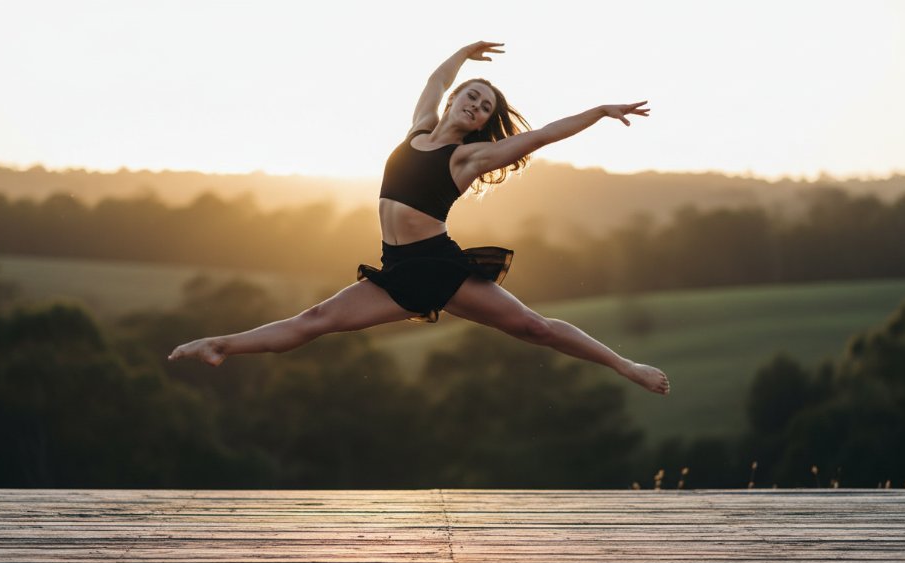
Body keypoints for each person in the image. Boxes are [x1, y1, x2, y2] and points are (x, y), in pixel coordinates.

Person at [169, 41, 670, 395]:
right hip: (398, 269)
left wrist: (599, 110)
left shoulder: (467, 159)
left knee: (533, 328)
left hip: (438, 265)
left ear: (484, 123)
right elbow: (435, 80)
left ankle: (627, 367)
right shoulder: (418, 129)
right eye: (471, 95)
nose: (475, 105)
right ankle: (219, 346)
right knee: (315, 321)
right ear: (456, 100)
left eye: (485, 106)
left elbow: (539, 137)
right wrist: (463, 53)